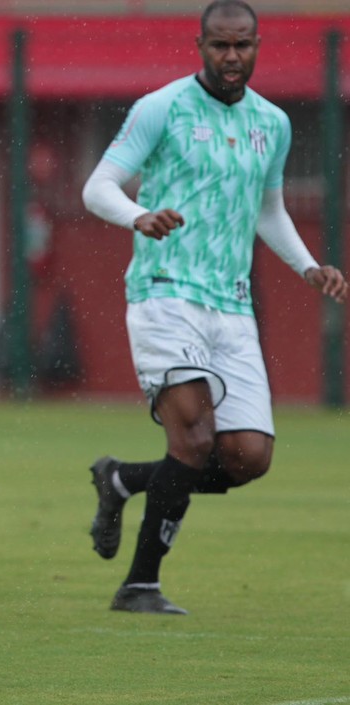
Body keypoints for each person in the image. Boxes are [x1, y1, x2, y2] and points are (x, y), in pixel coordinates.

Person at [81, 0, 347, 615]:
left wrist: (308, 266)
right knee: (195, 438)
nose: (233, 56)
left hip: (232, 306)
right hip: (165, 291)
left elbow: (269, 210)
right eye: (221, 45)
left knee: (248, 455)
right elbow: (96, 186)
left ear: (258, 46)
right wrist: (138, 215)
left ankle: (122, 478)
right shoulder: (162, 108)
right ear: (200, 44)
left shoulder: (272, 124)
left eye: (244, 45)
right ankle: (140, 585)